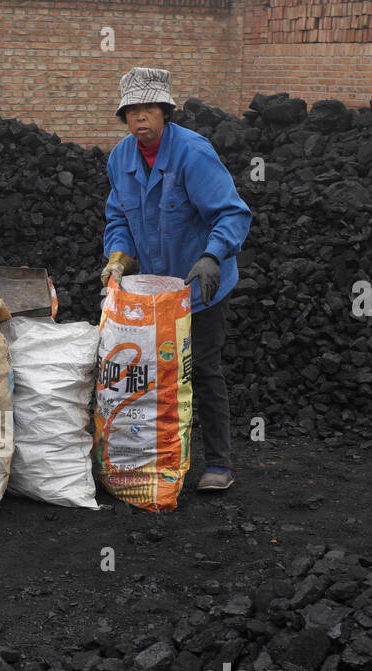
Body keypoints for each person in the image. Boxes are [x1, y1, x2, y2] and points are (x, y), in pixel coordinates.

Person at [101, 67, 251, 492]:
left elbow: (232, 213)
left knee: (201, 369)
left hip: (200, 286)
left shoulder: (192, 153)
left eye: (149, 108)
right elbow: (118, 217)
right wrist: (118, 257)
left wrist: (212, 257)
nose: (140, 118)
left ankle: (219, 463)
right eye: (132, 111)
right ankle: (161, 456)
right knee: (155, 375)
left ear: (165, 111)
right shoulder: (120, 158)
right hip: (153, 293)